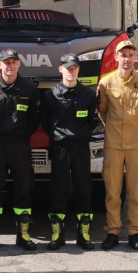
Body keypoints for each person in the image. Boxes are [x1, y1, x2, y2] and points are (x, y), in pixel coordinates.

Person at [0, 48, 40, 252]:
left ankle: (24, 235)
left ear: (19, 64)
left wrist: (22, 134)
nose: (10, 66)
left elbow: (35, 118)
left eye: (13, 62)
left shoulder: (28, 88)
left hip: (20, 145)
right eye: (6, 62)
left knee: (24, 189)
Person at [97, 40, 138, 251]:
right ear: (116, 58)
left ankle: (133, 232)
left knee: (135, 191)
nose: (127, 59)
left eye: (130, 55)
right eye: (123, 55)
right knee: (112, 191)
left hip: (136, 145)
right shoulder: (106, 83)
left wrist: (137, 127)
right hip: (113, 145)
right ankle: (112, 231)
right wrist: (112, 129)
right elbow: (103, 111)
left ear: (134, 58)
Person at [40, 54, 100, 251]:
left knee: (84, 188)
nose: (71, 71)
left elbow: (93, 120)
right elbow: (45, 120)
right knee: (59, 189)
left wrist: (80, 134)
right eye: (68, 68)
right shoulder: (50, 95)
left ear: (78, 70)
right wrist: (58, 135)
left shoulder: (88, 95)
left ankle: (84, 234)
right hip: (60, 148)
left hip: (81, 147)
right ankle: (57, 234)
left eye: (74, 68)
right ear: (60, 70)